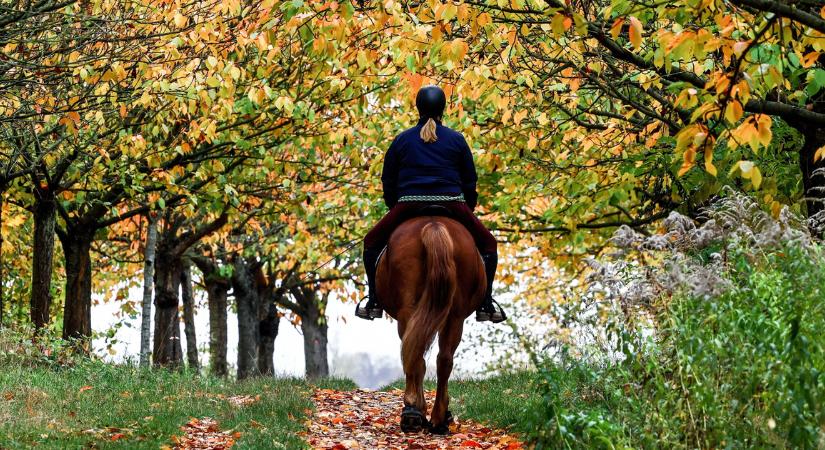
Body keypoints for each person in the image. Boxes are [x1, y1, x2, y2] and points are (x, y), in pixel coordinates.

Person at [355, 85, 506, 323]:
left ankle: (373, 300)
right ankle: (485, 303)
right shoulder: (457, 139)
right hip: (453, 203)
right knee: (488, 244)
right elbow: (470, 179)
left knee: (371, 242)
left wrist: (393, 204)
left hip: (408, 204)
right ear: (443, 109)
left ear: (418, 108)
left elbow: (388, 179)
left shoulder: (402, 140)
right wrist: (469, 205)